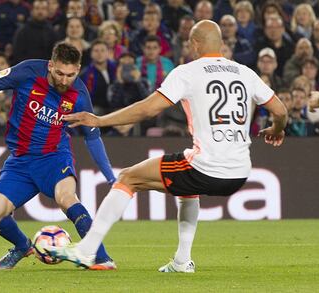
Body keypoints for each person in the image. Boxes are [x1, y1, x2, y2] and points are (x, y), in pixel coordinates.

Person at [46, 20, 288, 273]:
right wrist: (277, 130)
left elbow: (149, 108)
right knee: (186, 186)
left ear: (195, 44)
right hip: (239, 172)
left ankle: (86, 251)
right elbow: (280, 110)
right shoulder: (245, 73)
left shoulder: (188, 72)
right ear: (221, 44)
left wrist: (100, 120)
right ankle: (182, 261)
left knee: (128, 178)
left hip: (206, 166)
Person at [0, 42, 117, 271]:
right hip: (21, 161)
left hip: (54, 157)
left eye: (71, 74)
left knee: (66, 197)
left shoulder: (79, 95)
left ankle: (101, 257)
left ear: (77, 69)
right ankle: (22, 246)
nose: (65, 80)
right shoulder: (27, 72)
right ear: (50, 65)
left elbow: (92, 137)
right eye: (59, 73)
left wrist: (110, 178)